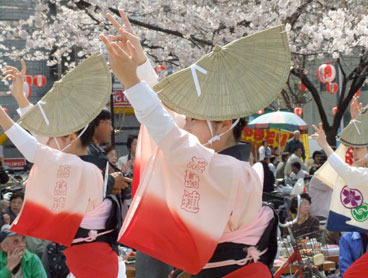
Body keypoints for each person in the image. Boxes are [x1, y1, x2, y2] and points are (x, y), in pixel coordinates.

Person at [100, 11, 290, 277]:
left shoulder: (232, 171)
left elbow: (169, 133)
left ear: (225, 124)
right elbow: (168, 117)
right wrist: (140, 62)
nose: (185, 125)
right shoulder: (225, 163)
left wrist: (131, 81)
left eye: (192, 119)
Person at [1, 53, 127, 277]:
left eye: (54, 136)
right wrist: (20, 99)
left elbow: (35, 147)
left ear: (70, 136)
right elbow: (40, 140)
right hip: (86, 260)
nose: (48, 141)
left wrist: (4, 118)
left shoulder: (84, 167)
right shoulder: (83, 161)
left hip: (95, 265)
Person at [310, 97, 368, 278]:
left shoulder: (363, 175)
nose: (353, 152)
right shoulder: (361, 172)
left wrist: (324, 145)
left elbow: (345, 169)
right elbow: (348, 163)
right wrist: (357, 123)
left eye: (358, 148)